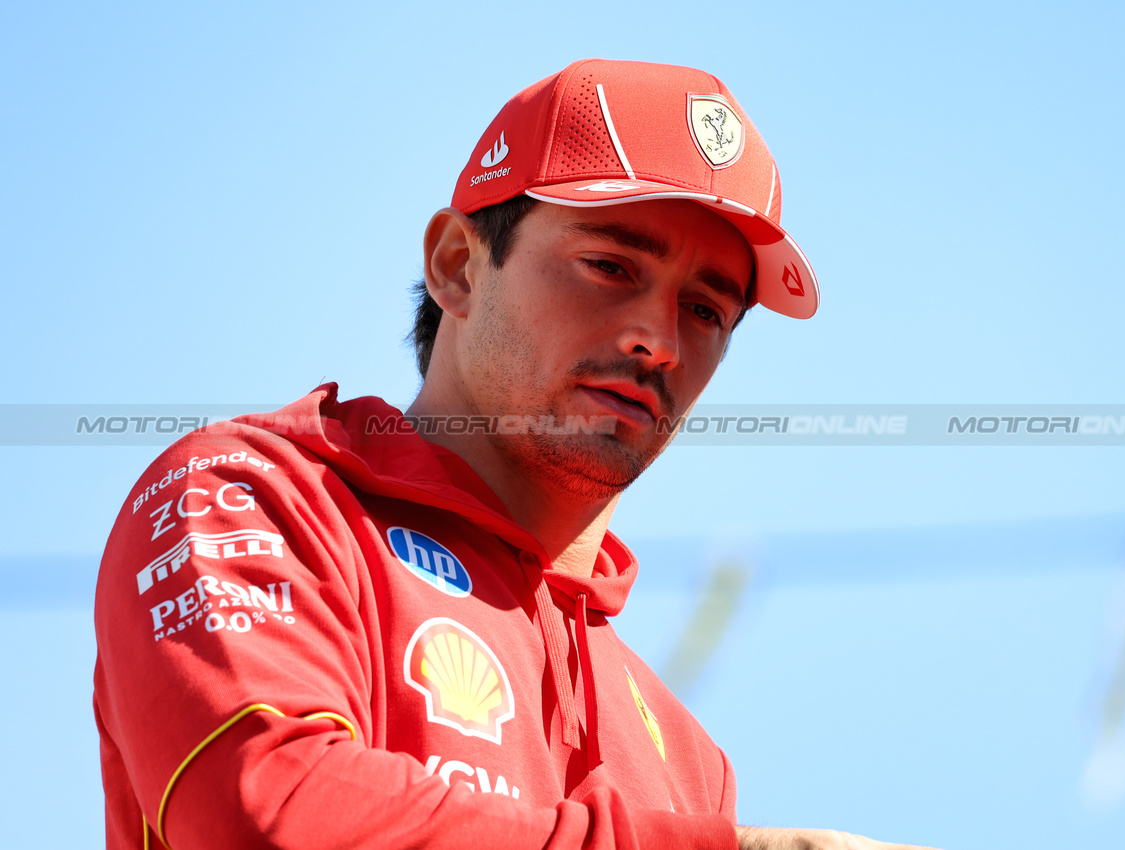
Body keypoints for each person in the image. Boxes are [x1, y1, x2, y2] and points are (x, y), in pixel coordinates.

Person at [93, 59, 931, 850]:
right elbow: (266, 815)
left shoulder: (687, 761)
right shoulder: (257, 497)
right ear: (457, 265)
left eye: (706, 310)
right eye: (608, 265)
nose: (659, 340)